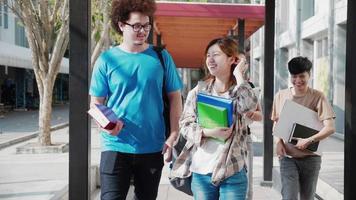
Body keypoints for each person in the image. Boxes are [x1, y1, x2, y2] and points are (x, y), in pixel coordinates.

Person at [89, 0, 183, 199]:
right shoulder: (107, 60)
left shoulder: (161, 57)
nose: (143, 31)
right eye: (137, 26)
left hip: (152, 147)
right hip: (114, 146)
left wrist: (174, 133)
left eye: (146, 26)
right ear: (122, 25)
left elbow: (175, 97)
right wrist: (104, 125)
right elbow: (96, 102)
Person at [171, 37, 258, 200]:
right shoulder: (199, 90)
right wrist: (209, 132)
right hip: (201, 172)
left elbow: (248, 106)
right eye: (208, 55)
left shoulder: (240, 89)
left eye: (216, 54)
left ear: (232, 59)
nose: (210, 59)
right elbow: (185, 125)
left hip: (232, 170)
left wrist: (239, 74)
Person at [271, 56, 336, 200]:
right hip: (288, 157)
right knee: (289, 196)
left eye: (302, 76)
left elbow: (330, 127)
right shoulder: (281, 96)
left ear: (309, 75)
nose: (298, 80)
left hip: (311, 159)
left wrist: (309, 140)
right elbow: (276, 124)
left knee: (307, 197)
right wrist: (278, 142)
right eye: (294, 76)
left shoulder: (318, 97)